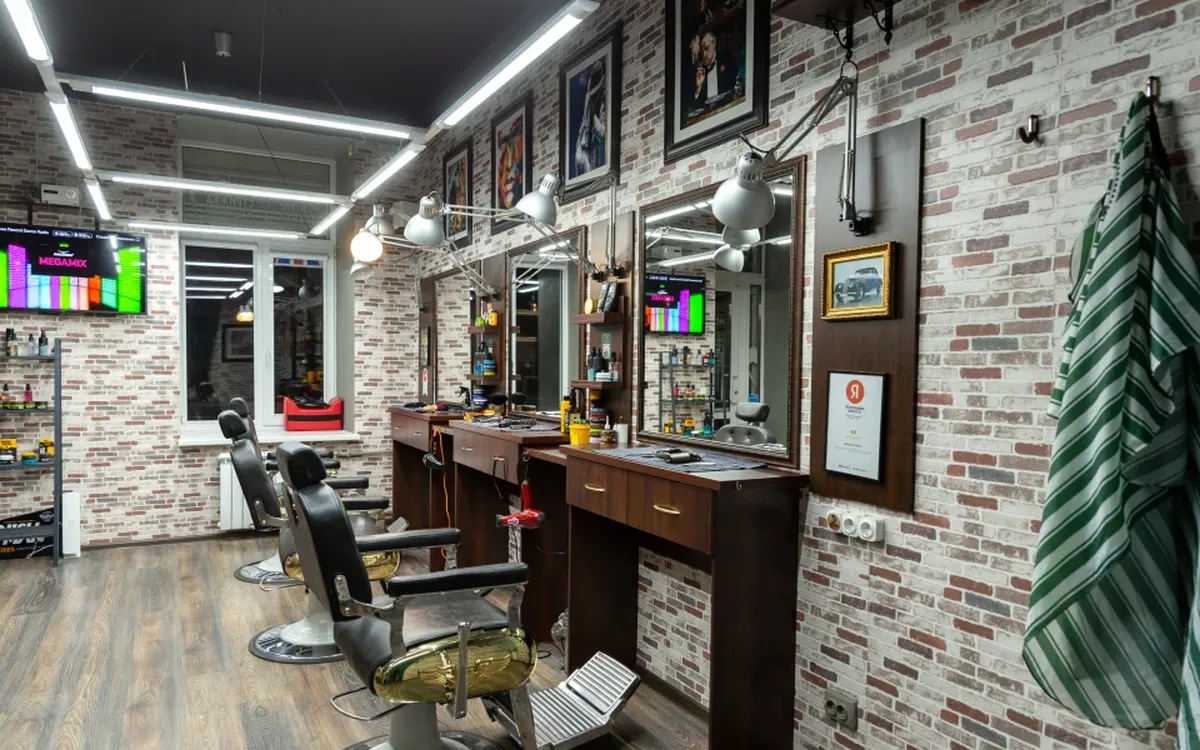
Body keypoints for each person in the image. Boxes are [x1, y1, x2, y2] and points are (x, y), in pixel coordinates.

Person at [573, 61, 607, 176]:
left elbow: (602, 132)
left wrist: (595, 120)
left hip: (592, 148)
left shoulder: (603, 97)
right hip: (583, 147)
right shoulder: (589, 99)